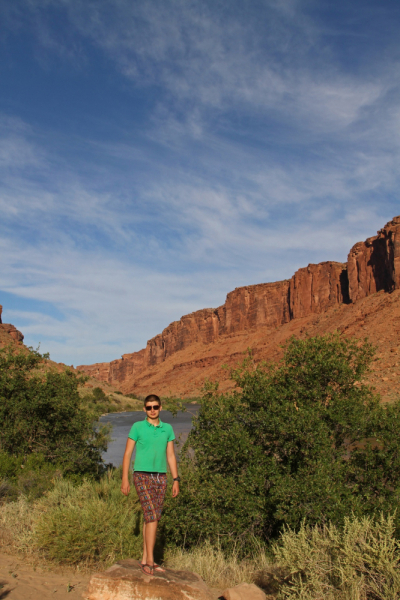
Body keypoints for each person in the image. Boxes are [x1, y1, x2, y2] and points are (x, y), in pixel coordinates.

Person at [121, 394, 180, 575]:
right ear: (144, 409)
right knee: (152, 515)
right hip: (141, 476)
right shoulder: (137, 427)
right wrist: (125, 479)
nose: (152, 410)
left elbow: (170, 456)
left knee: (150, 516)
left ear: (161, 408)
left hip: (160, 477)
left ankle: (145, 558)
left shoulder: (167, 429)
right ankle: (151, 561)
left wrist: (176, 479)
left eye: (155, 407)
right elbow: (127, 454)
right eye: (149, 407)